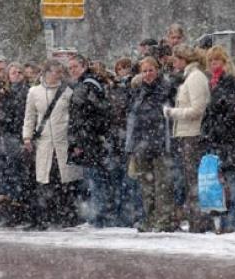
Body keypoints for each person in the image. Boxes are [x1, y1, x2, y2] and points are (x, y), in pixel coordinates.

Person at [22, 60, 79, 229]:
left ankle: (65, 216)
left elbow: (74, 116)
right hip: (44, 142)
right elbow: (30, 116)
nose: (59, 75)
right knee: (45, 180)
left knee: (64, 180)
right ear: (46, 72)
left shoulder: (68, 91)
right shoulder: (34, 92)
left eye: (61, 72)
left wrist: (74, 138)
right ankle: (43, 216)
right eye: (56, 71)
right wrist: (27, 137)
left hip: (63, 142)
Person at [163, 44, 211, 233]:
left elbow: (198, 109)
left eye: (176, 60)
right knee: (190, 179)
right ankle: (195, 220)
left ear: (184, 60)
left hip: (192, 134)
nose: (174, 64)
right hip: (186, 133)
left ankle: (198, 221)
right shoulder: (191, 77)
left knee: (194, 180)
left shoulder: (195, 77)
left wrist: (172, 112)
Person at [125, 57, 175, 232]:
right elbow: (132, 116)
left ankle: (164, 220)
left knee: (163, 185)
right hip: (142, 143)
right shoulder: (138, 90)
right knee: (146, 186)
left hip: (160, 142)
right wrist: (131, 145)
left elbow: (165, 113)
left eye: (150, 70)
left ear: (157, 70)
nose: (147, 74)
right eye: (144, 71)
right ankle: (150, 218)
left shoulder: (166, 87)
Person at [201, 46, 235, 233]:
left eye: (217, 60)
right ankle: (229, 219)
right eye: (211, 61)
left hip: (229, 138)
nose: (214, 64)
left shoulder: (231, 81)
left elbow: (231, 110)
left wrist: (217, 127)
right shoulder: (213, 82)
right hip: (218, 138)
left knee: (232, 179)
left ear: (224, 62)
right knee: (223, 181)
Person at [67, 54, 112, 227]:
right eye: (70, 68)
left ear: (84, 66)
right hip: (86, 138)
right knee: (92, 179)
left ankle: (99, 217)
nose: (72, 70)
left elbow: (97, 112)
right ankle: (96, 216)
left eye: (75, 67)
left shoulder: (89, 85)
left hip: (91, 139)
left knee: (95, 180)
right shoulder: (83, 84)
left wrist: (86, 135)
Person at [0, 62, 34, 227]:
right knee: (8, 173)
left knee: (21, 175)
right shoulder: (4, 93)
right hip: (8, 137)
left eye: (19, 72)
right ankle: (10, 209)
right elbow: (0, 115)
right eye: (13, 72)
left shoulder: (29, 92)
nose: (16, 75)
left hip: (22, 135)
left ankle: (20, 208)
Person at [109, 58, 143, 227]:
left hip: (127, 136)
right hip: (117, 137)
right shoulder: (113, 87)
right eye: (120, 68)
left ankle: (130, 214)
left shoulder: (132, 86)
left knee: (130, 178)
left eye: (126, 68)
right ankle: (122, 214)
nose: (123, 71)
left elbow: (127, 109)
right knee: (119, 178)